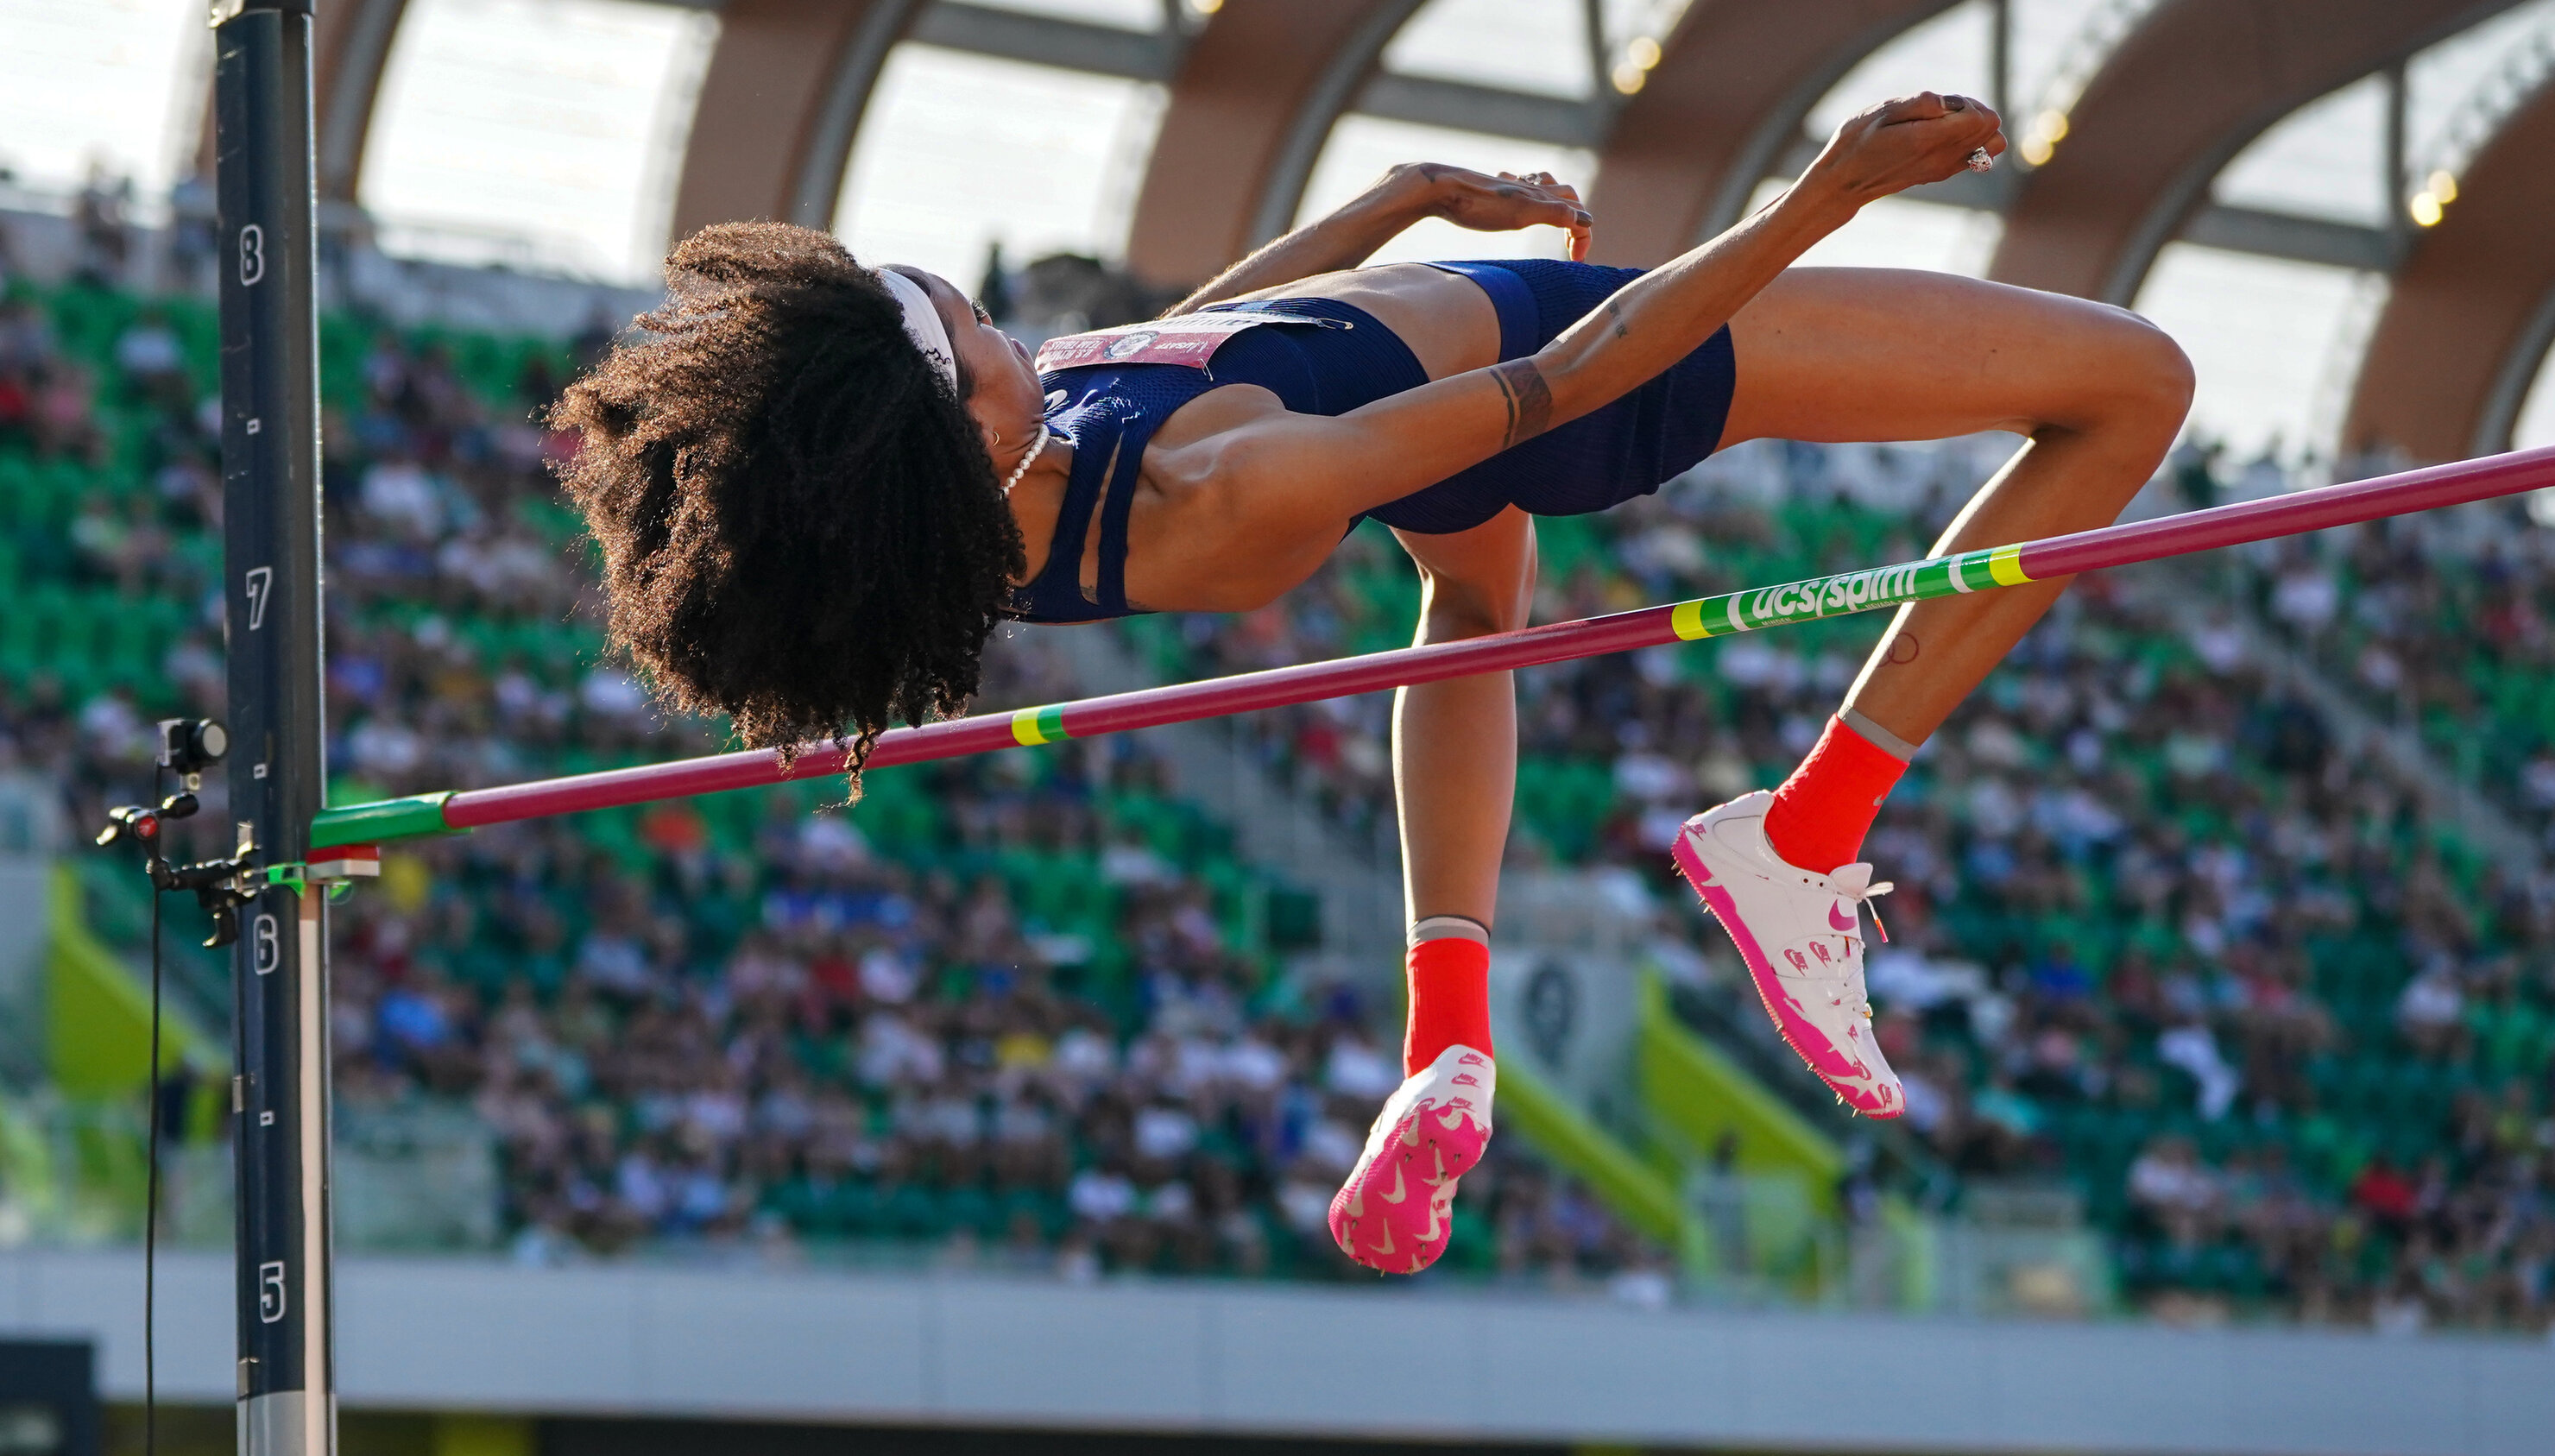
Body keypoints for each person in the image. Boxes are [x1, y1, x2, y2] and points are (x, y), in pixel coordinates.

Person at [553, 91, 2194, 1275]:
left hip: (1407, 382)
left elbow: (1203, 332)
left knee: (1473, 600)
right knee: (2133, 383)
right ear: (954, 435)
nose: (999, 319)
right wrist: (1820, 195)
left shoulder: (1021, 468)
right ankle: (1810, 834)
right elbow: (1567, 377)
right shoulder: (1221, 494)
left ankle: (1449, 1042)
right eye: (971, 328)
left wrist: (1394, 200)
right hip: (1579, 357)